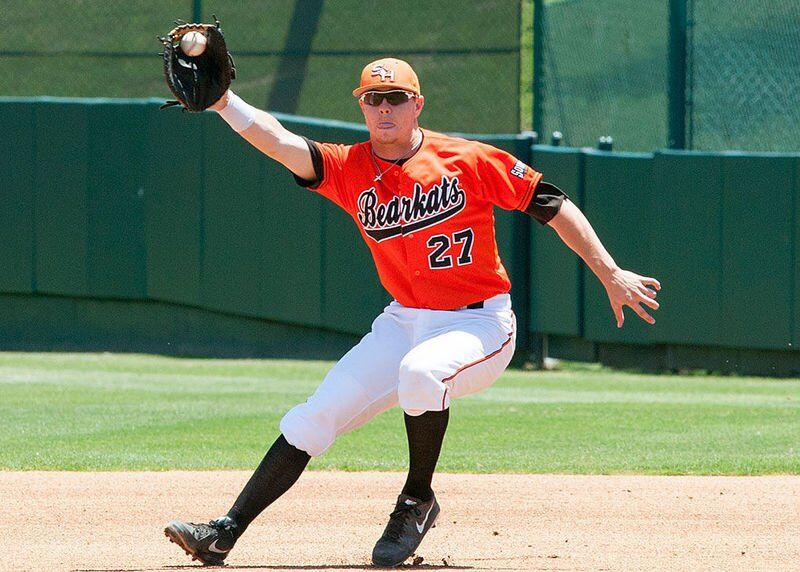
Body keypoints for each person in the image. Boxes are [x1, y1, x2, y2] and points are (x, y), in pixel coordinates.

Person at [164, 58, 661, 567]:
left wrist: (609, 272)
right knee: (314, 417)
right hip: (404, 320)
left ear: (417, 104)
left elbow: (553, 203)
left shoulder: (467, 159)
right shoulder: (347, 166)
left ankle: (416, 499)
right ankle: (224, 531)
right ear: (361, 105)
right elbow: (278, 140)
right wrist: (225, 103)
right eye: (374, 99)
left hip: (479, 322)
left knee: (421, 373)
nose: (385, 108)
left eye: (396, 98)